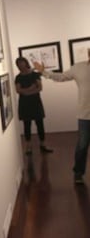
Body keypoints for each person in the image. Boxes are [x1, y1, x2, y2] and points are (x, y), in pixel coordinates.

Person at [34, 49, 90, 184]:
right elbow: (61, 77)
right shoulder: (78, 68)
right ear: (89, 53)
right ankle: (78, 172)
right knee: (82, 145)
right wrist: (44, 72)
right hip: (85, 114)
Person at [15, 57, 53, 155]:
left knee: (40, 124)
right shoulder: (18, 77)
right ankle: (28, 147)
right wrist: (31, 88)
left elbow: (40, 88)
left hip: (35, 102)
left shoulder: (35, 74)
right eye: (18, 64)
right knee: (26, 125)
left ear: (26, 63)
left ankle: (43, 144)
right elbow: (18, 90)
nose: (20, 65)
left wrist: (26, 92)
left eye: (22, 63)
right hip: (24, 104)